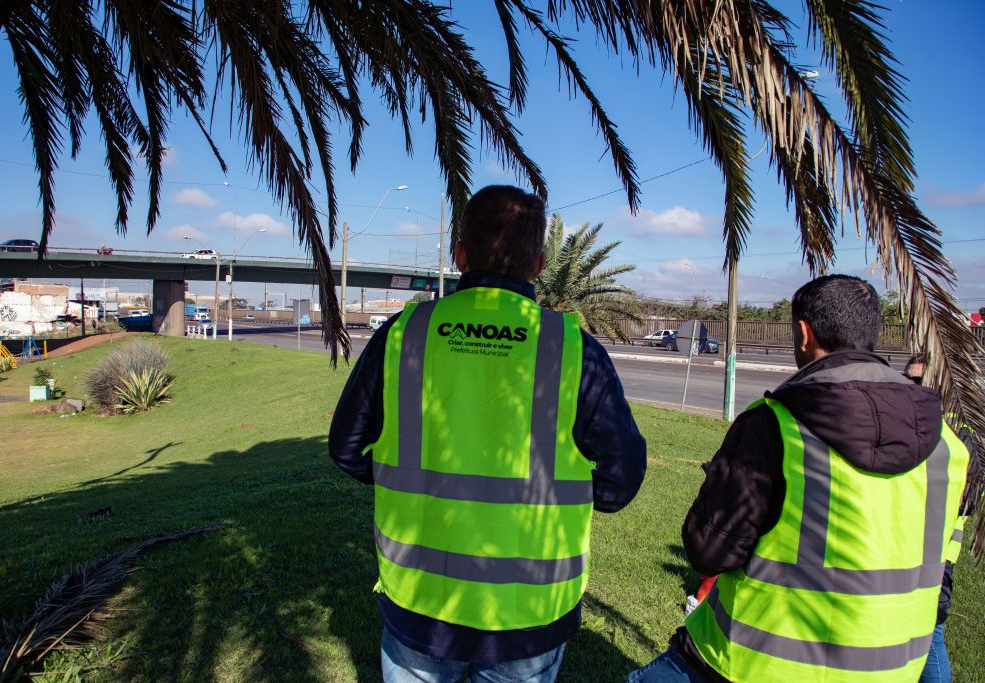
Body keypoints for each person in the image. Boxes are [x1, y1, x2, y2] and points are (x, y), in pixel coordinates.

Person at [329, 185, 647, 682]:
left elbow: (346, 447)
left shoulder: (404, 333)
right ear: (539, 263)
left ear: (459, 255)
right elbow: (620, 480)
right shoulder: (572, 350)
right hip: (528, 612)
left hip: (419, 602)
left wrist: (406, 482)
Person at [629, 274, 969, 683]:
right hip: (892, 668)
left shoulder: (774, 425)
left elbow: (709, 552)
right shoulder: (948, 443)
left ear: (804, 334)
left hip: (752, 664)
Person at [904, 355, 985, 683]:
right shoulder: (922, 423)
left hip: (936, 555)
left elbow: (965, 501)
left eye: (917, 382)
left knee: (930, 633)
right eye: (906, 379)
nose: (909, 387)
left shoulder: (955, 432)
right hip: (911, 547)